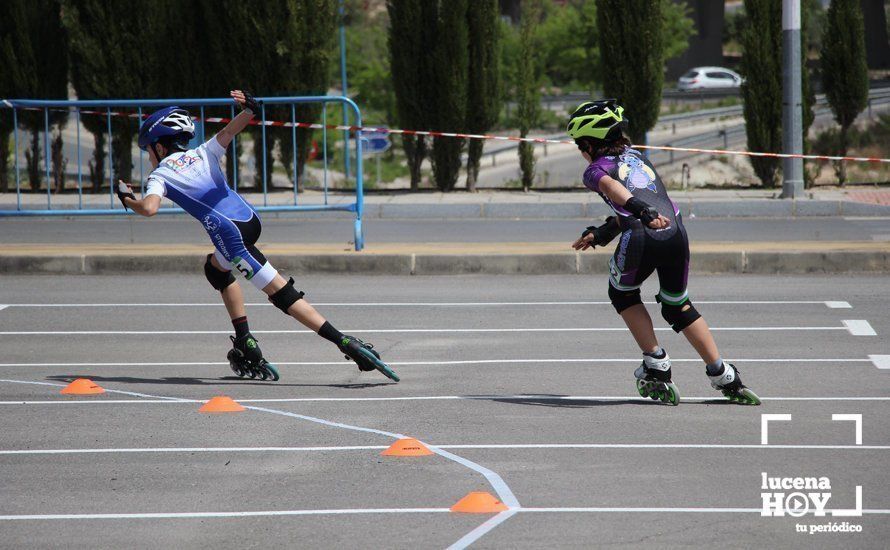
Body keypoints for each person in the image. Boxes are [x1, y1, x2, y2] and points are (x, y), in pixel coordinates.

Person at [115, 90, 398, 382]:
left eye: (148, 150)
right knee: (216, 270)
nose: (148, 156)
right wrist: (250, 108)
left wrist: (128, 199)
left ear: (160, 147)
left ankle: (345, 342)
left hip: (230, 236)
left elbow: (149, 209)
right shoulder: (203, 151)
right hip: (249, 219)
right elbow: (230, 129)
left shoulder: (160, 175)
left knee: (281, 294)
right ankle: (245, 340)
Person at [567, 99, 758, 405]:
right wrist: (601, 233)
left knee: (623, 294)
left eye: (580, 145)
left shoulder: (594, 170)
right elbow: (631, 201)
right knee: (677, 305)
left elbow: (615, 190)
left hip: (642, 235)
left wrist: (641, 212)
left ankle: (656, 364)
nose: (580, 151)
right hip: (676, 234)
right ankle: (722, 373)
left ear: (591, 143)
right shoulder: (639, 158)